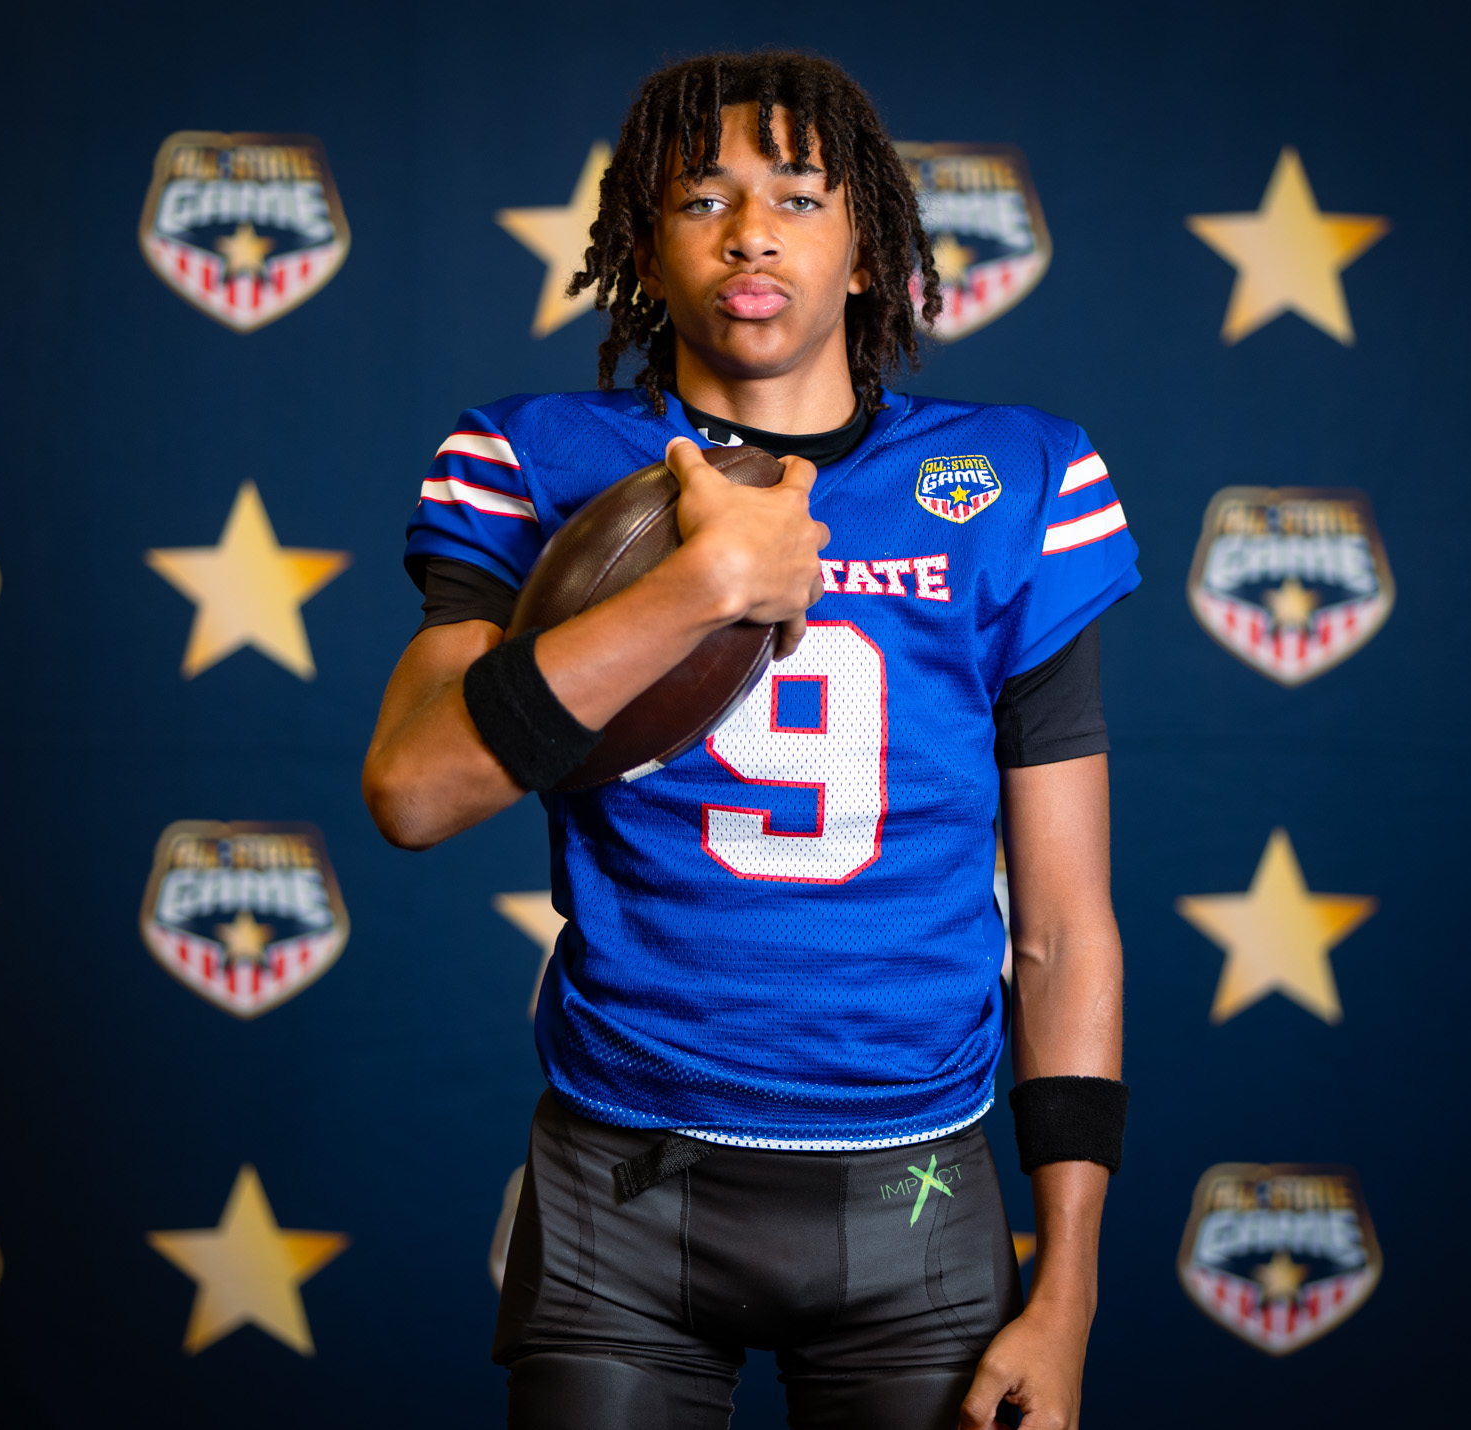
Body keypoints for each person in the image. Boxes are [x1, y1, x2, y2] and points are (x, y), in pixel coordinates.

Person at [363, 51, 1138, 1430]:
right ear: (641, 253)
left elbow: (1065, 928)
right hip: (621, 1176)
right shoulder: (535, 458)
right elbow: (414, 793)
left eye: (798, 196)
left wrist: (1068, 1285)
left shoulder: (1017, 476)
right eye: (702, 198)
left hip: (915, 1180)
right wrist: (698, 589)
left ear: (869, 249)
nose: (751, 233)